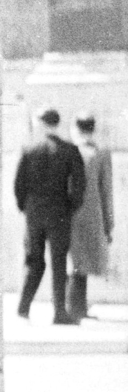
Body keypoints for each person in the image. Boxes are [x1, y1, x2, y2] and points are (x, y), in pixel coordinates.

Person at [14, 107, 87, 324]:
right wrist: (70, 207)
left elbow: (19, 185)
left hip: (34, 215)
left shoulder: (29, 149)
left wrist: (26, 209)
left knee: (33, 262)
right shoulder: (70, 150)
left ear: (43, 124)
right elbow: (79, 186)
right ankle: (59, 312)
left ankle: (23, 307)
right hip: (60, 214)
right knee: (58, 263)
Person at [67, 113, 113, 319]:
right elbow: (106, 191)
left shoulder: (68, 150)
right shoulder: (101, 153)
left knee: (75, 261)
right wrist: (109, 223)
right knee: (83, 262)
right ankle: (78, 306)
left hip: (69, 213)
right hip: (93, 214)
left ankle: (75, 306)